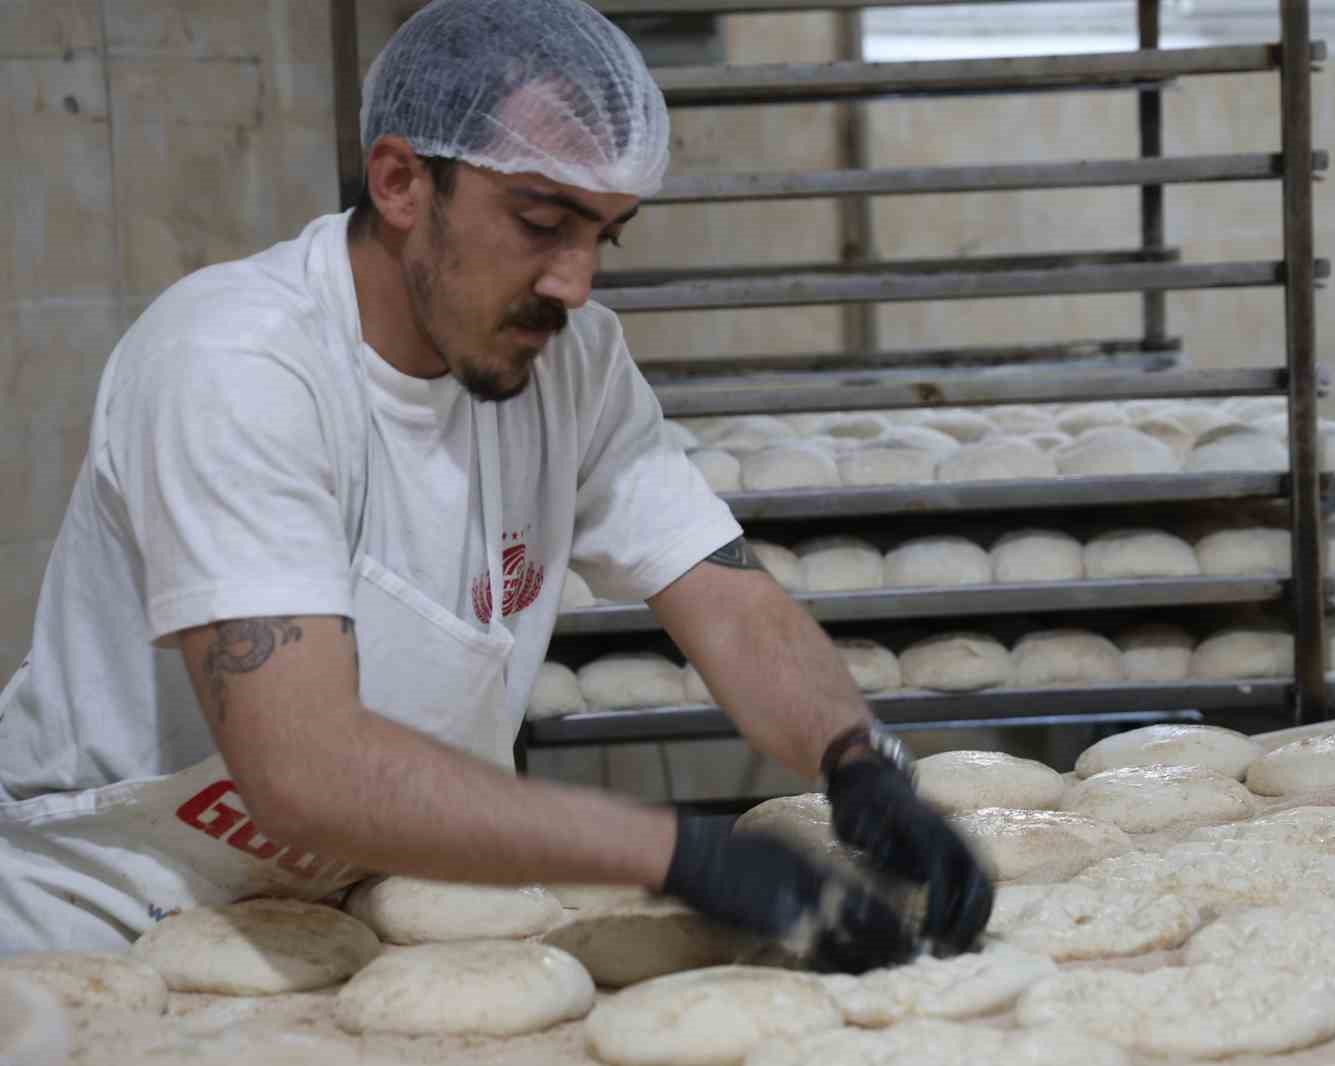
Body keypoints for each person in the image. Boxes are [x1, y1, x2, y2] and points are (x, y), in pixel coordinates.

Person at [0, 0, 992, 969]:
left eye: (604, 232)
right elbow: (299, 770)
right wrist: (676, 851)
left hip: (375, 909)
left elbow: (725, 596)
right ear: (399, 181)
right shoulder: (237, 362)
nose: (576, 281)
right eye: (541, 219)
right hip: (102, 929)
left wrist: (856, 758)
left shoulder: (575, 363)